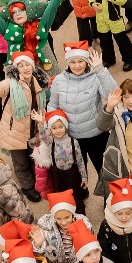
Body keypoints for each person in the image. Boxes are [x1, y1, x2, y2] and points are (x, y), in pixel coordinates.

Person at [48, 41, 118, 174]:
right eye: (73, 62)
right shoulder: (58, 80)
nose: (77, 65)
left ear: (87, 62)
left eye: (81, 61)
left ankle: (108, 195)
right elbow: (53, 105)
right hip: (71, 136)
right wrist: (52, 127)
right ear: (68, 63)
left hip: (96, 133)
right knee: (77, 175)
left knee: (105, 171)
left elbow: (113, 93)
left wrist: (100, 70)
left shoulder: (96, 76)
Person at [0, 50, 47, 201]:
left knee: (35, 158)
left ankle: (38, 183)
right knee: (21, 163)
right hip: (14, 131)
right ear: (16, 68)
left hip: (34, 129)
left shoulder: (38, 82)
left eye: (28, 65)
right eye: (21, 65)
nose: (25, 68)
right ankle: (28, 187)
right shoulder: (10, 84)